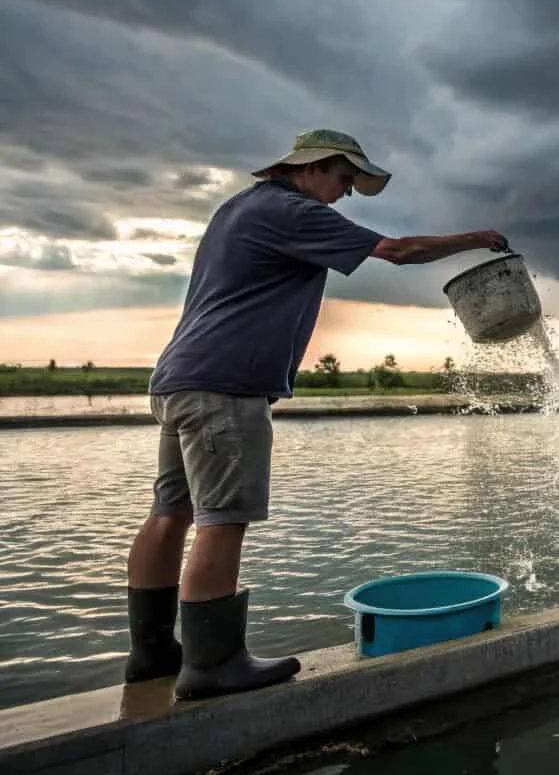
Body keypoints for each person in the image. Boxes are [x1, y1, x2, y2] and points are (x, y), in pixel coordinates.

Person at [125, 129, 509, 701]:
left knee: (170, 512)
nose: (346, 193)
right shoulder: (292, 210)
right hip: (226, 389)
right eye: (345, 179)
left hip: (181, 378)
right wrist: (477, 237)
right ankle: (212, 664)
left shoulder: (239, 207)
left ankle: (153, 653)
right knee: (222, 518)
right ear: (312, 167)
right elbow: (398, 251)